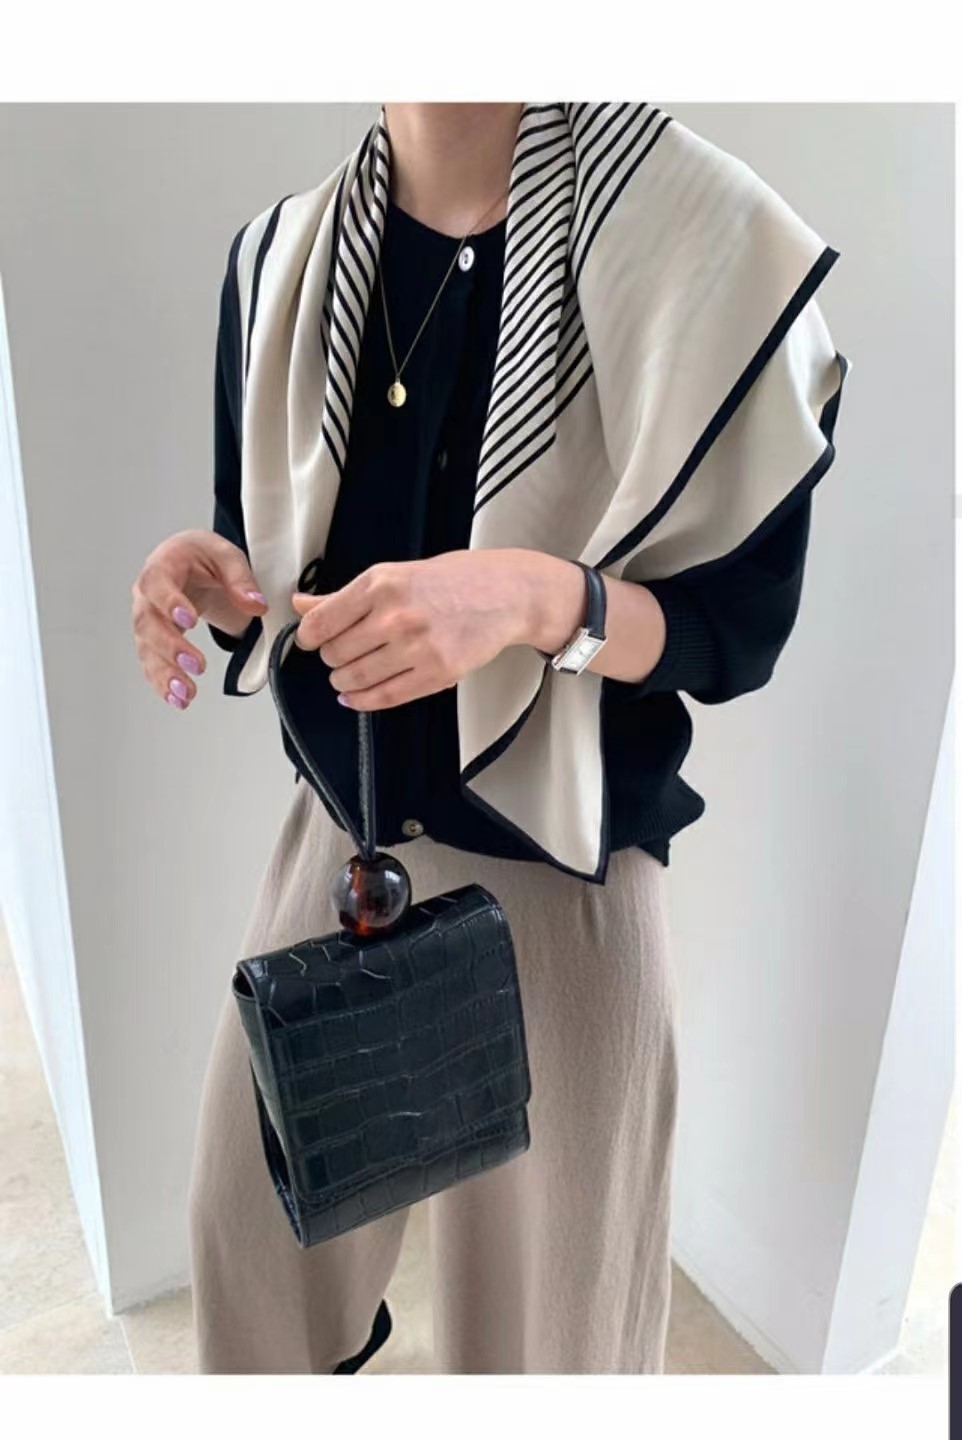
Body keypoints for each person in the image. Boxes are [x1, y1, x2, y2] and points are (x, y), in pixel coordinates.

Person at [130, 102, 845, 1374]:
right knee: (250, 1270)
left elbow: (733, 632)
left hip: (557, 877)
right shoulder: (280, 260)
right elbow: (281, 565)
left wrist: (533, 598)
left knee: (546, 1346)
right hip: (337, 849)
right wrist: (217, 581)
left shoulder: (699, 244)